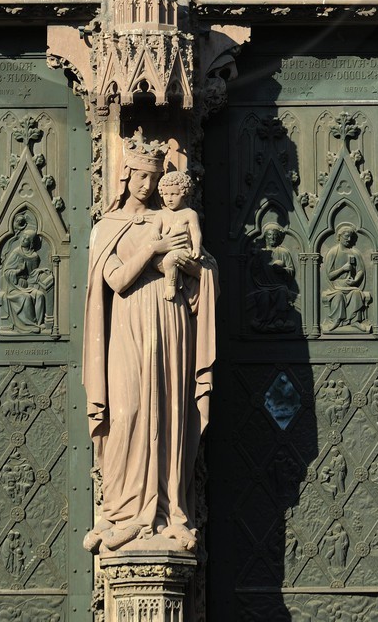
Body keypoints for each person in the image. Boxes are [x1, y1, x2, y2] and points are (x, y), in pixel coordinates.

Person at [83, 138, 216, 552]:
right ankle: (121, 512)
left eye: (154, 178)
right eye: (141, 176)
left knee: (169, 412)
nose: (147, 184)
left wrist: (192, 266)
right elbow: (117, 280)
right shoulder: (107, 227)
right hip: (127, 328)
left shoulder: (171, 217)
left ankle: (168, 513)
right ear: (125, 175)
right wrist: (154, 250)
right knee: (128, 412)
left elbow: (203, 267)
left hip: (171, 321)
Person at [154, 171, 202, 302]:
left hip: (183, 250)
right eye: (165, 194)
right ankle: (177, 276)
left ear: (184, 193)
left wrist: (196, 248)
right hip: (164, 251)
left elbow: (196, 233)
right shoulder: (161, 214)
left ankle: (170, 285)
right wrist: (155, 234)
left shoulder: (190, 214)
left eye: (174, 194)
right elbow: (155, 229)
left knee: (170, 259)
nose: (169, 198)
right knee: (155, 262)